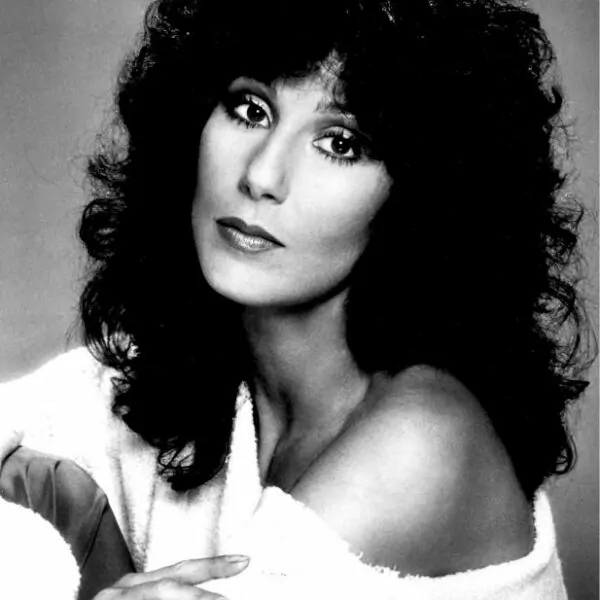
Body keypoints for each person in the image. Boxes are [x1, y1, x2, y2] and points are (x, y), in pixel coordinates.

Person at [0, 0, 594, 598]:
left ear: (423, 197)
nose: (261, 175)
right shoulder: (185, 378)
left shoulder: (423, 440)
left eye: (339, 143)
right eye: (250, 109)